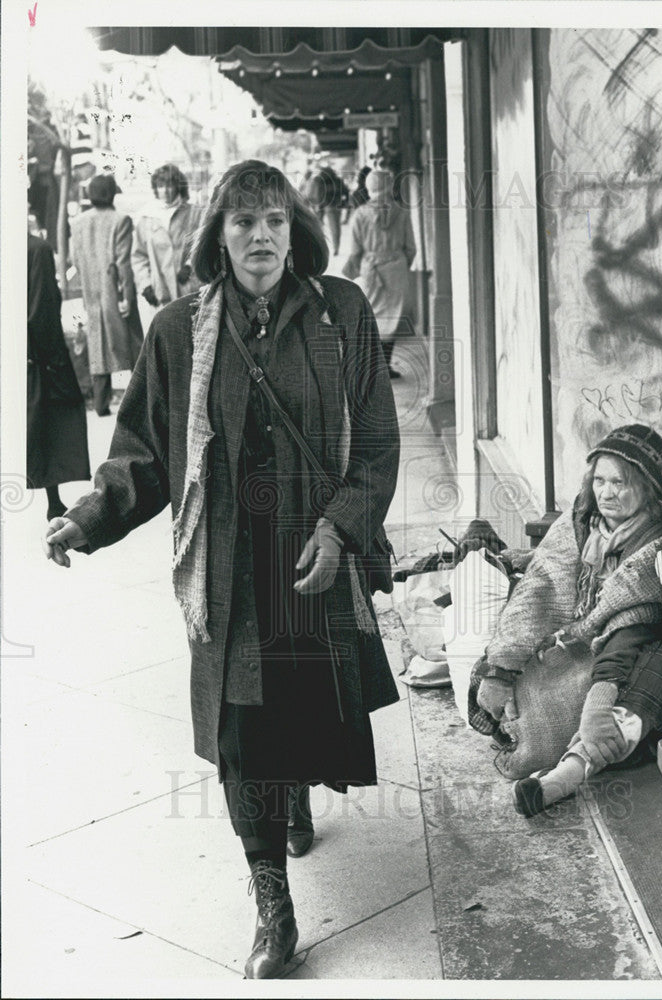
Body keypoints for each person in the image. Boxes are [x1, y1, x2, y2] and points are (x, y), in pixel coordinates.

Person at [43, 159, 401, 979]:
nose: (261, 235)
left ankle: (297, 792)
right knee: (246, 732)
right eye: (242, 222)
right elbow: (144, 455)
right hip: (229, 569)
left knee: (307, 710)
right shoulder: (179, 331)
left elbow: (377, 448)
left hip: (314, 557)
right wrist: (90, 517)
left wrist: (343, 532)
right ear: (217, 235)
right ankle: (272, 899)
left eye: (274, 219)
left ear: (296, 228)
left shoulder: (340, 313)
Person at [468, 424, 662, 816]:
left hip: (617, 657)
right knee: (497, 678)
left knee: (635, 682)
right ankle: (559, 762)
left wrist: (596, 706)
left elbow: (625, 632)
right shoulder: (580, 522)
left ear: (647, 487)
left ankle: (565, 774)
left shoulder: (657, 543)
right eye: (600, 479)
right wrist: (502, 668)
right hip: (574, 638)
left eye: (621, 482)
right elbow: (541, 588)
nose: (608, 492)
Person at [27, 230, 91, 519]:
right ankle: (53, 500)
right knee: (49, 419)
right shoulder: (37, 249)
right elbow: (40, 311)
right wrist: (55, 360)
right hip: (34, 353)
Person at [69, 174, 145, 416]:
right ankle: (140, 402)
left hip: (91, 291)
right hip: (115, 289)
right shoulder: (121, 220)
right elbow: (123, 263)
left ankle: (101, 403)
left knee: (98, 345)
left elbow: (75, 259)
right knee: (133, 345)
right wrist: (127, 297)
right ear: (112, 193)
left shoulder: (78, 222)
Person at [342, 170, 416, 378]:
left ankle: (372, 366)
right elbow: (411, 247)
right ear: (390, 185)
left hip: (371, 268)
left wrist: (357, 268)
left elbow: (356, 250)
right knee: (392, 317)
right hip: (396, 268)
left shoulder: (360, 214)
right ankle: (386, 365)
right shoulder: (402, 212)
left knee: (372, 315)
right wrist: (401, 264)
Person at [131, 163, 203, 322]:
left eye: (170, 185)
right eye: (161, 186)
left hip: (189, 288)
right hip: (161, 293)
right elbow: (138, 257)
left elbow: (203, 243)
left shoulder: (194, 214)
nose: (166, 190)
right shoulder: (146, 218)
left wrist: (190, 265)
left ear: (178, 187)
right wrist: (145, 285)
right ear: (155, 188)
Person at [304, 163, 348, 256]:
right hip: (334, 205)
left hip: (321, 205)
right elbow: (346, 192)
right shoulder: (338, 181)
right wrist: (344, 203)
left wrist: (315, 205)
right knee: (335, 228)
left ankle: (320, 246)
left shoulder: (318, 180)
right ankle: (336, 247)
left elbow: (314, 193)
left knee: (319, 226)